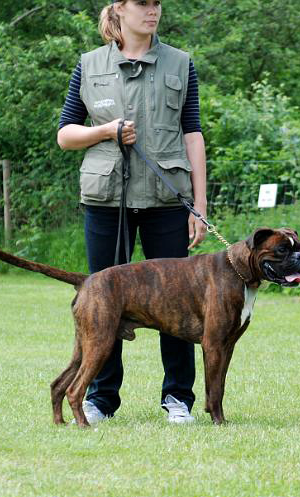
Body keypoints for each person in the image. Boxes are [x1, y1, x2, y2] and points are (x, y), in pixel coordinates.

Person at [57, 0, 207, 424]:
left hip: (166, 201)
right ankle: (101, 399)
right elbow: (65, 134)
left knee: (179, 305)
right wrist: (105, 131)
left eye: (157, 3)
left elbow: (192, 132)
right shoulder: (88, 65)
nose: (153, 11)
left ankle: (178, 399)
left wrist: (199, 203)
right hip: (107, 203)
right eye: (143, 3)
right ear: (119, 9)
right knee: (104, 305)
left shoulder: (181, 63)